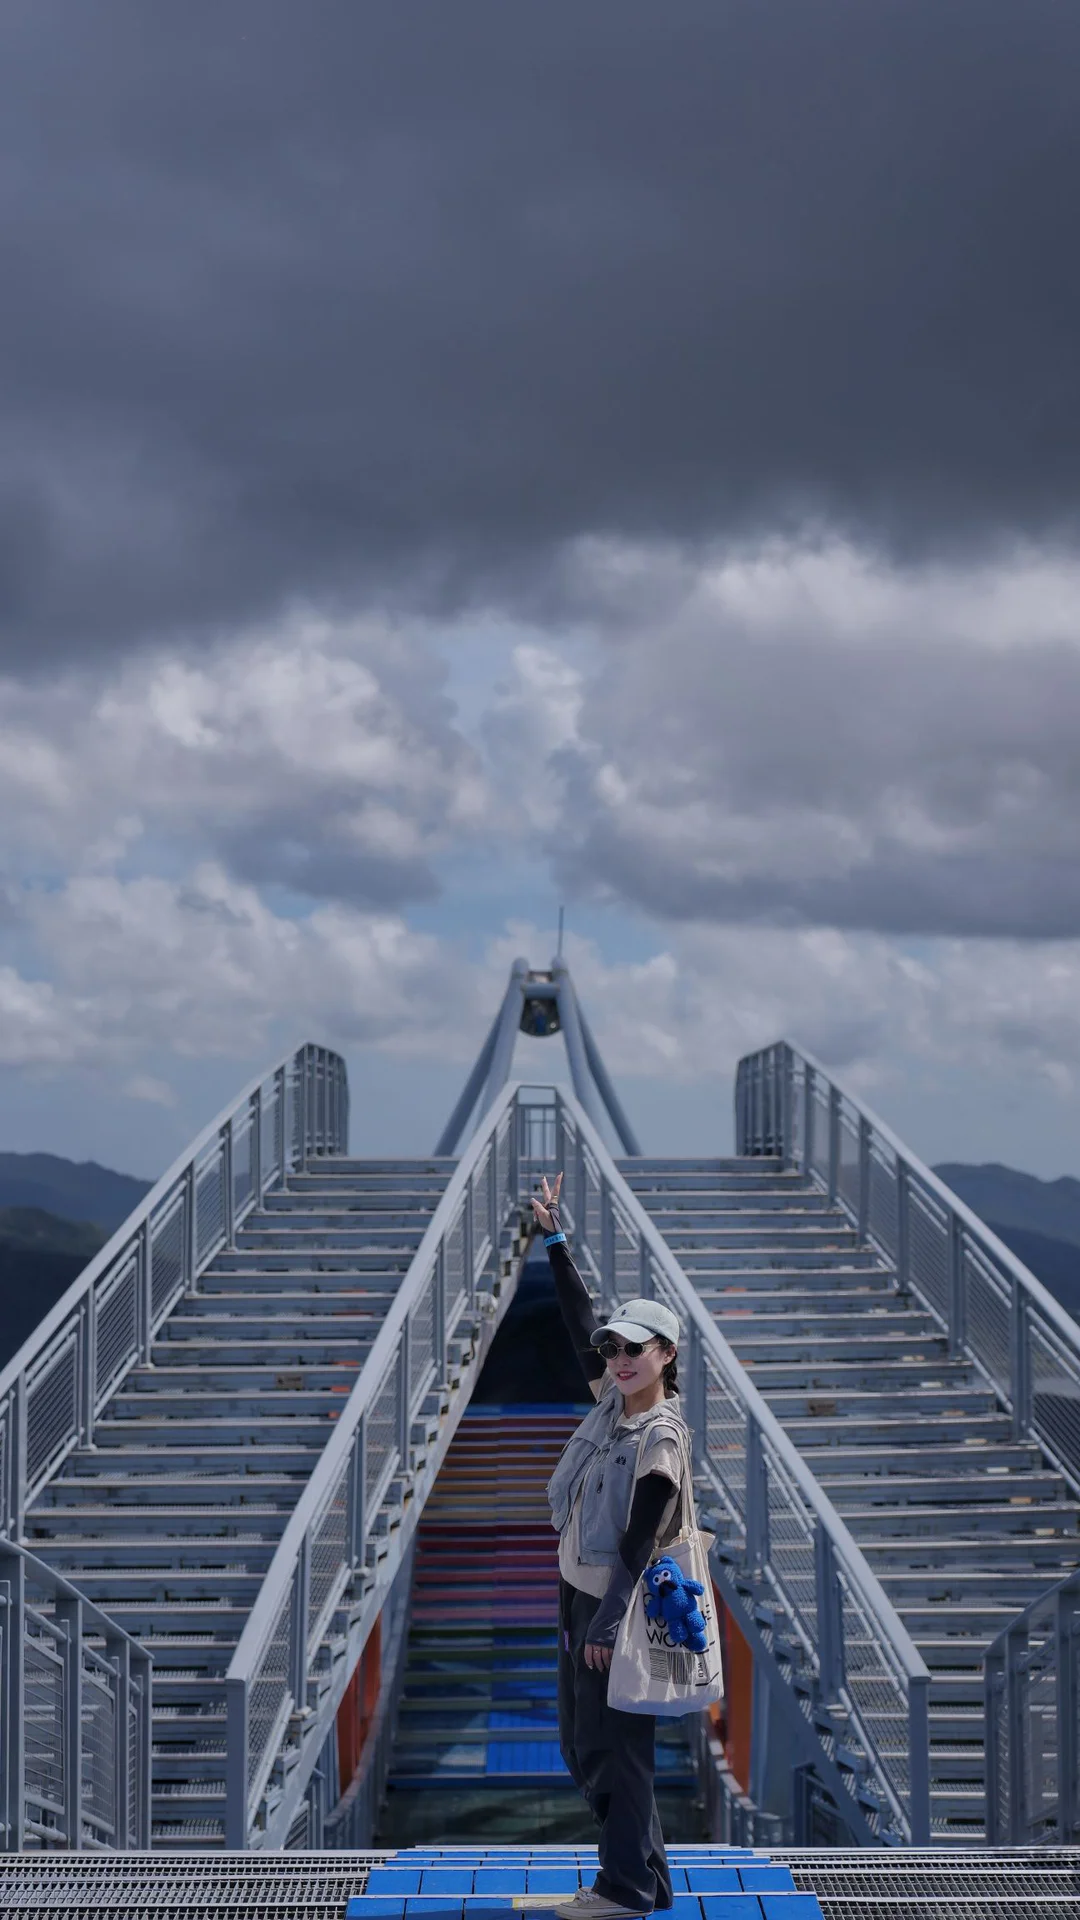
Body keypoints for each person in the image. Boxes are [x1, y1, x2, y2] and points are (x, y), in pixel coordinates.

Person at [532, 1170, 689, 1920]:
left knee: (610, 1747)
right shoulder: (613, 1404)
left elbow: (643, 1532)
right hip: (580, 1591)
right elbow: (576, 1319)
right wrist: (554, 1238)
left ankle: (624, 1890)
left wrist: (606, 1619)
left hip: (614, 1604)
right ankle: (648, 1881)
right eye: (613, 1348)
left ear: (665, 1353)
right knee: (579, 1743)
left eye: (634, 1349)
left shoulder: (659, 1433)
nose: (618, 1358)